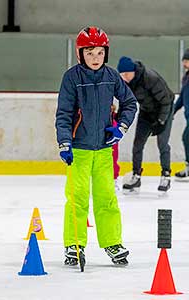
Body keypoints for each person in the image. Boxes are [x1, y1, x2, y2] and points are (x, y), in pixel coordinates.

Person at [56, 27, 137, 266]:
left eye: (100, 53)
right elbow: (64, 113)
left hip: (103, 149)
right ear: (80, 54)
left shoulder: (112, 77)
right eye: (89, 53)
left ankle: (112, 242)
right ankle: (74, 244)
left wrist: (120, 127)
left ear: (106, 53)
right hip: (78, 150)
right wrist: (64, 142)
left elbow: (130, 103)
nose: (95, 58)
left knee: (106, 198)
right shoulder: (72, 78)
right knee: (77, 198)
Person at [117, 56, 174, 193]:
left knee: (162, 143)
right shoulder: (125, 83)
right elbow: (126, 102)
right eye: (122, 75)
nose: (124, 77)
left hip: (164, 109)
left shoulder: (150, 78)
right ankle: (136, 176)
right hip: (146, 112)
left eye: (126, 74)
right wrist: (119, 117)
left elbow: (166, 101)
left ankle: (165, 175)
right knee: (138, 144)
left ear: (133, 71)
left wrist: (161, 121)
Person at [174, 48, 189, 180]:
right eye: (184, 61)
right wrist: (172, 111)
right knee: (186, 138)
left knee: (186, 137)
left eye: (187, 61)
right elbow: (182, 98)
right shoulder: (186, 78)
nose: (184, 63)